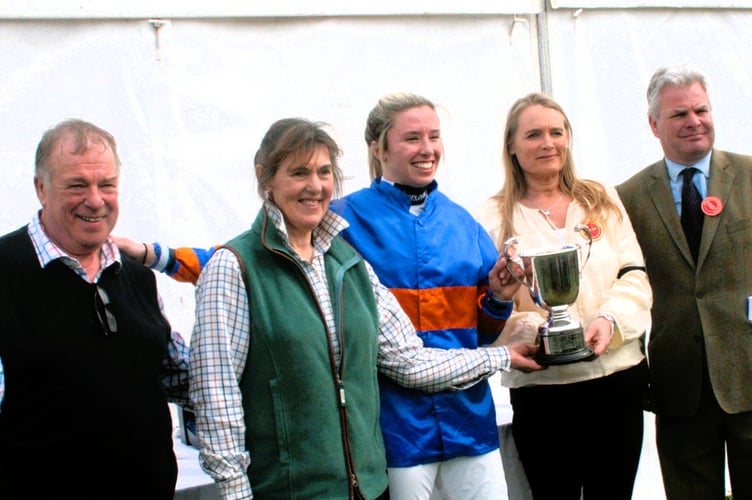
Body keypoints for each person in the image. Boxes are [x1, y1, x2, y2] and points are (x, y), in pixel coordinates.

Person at [122, 94, 541, 499]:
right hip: (393, 435)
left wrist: (501, 307)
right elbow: (235, 265)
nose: (426, 148)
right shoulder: (338, 222)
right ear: (377, 148)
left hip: (457, 424)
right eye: (412, 137)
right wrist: (153, 255)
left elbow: (457, 339)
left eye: (434, 136)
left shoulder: (451, 224)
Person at [0, 119, 190, 499]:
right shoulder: (5, 271)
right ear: (41, 188)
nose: (95, 199)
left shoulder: (137, 276)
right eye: (77, 185)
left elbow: (177, 376)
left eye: (106, 184)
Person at [475, 92, 653, 500]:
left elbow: (634, 275)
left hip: (616, 380)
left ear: (568, 138)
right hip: (542, 393)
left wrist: (609, 321)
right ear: (512, 146)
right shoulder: (490, 217)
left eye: (556, 132)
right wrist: (540, 334)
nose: (547, 143)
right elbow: (488, 306)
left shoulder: (601, 200)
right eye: (534, 134)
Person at [617, 65, 752, 500]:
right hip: (679, 387)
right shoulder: (627, 198)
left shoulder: (750, 176)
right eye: (679, 114)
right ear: (654, 124)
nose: (694, 121)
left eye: (701, 110)